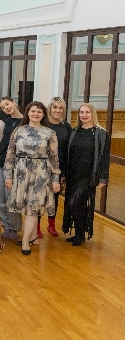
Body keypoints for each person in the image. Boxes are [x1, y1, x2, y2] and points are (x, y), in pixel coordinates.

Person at [4, 102, 61, 255]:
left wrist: (56, 179)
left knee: (33, 206)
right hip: (21, 171)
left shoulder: (50, 133)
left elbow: (54, 158)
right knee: (25, 206)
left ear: (43, 115)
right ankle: (33, 236)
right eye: (33, 111)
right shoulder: (18, 130)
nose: (36, 114)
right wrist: (8, 175)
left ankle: (25, 241)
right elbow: (10, 154)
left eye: (39, 112)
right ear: (28, 113)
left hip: (41, 172)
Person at [62, 103, 110, 246]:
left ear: (92, 114)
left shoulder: (101, 133)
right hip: (73, 174)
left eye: (87, 112)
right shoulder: (74, 131)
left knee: (78, 203)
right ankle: (79, 233)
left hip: (88, 175)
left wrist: (103, 178)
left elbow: (105, 158)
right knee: (74, 204)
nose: (84, 115)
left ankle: (79, 235)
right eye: (81, 112)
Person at [0, 97, 23, 240]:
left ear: (14, 103)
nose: (6, 107)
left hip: (15, 165)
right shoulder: (5, 121)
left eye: (7, 104)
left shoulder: (25, 121)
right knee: (0, 197)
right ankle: (5, 226)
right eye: (3, 107)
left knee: (12, 198)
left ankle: (14, 227)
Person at [44, 97, 72, 237]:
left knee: (54, 196)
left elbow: (68, 150)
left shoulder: (66, 126)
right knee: (39, 196)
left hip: (59, 166)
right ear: (50, 108)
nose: (58, 110)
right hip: (42, 166)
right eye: (55, 107)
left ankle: (51, 225)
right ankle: (36, 227)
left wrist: (64, 173)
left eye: (61, 108)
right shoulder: (43, 124)